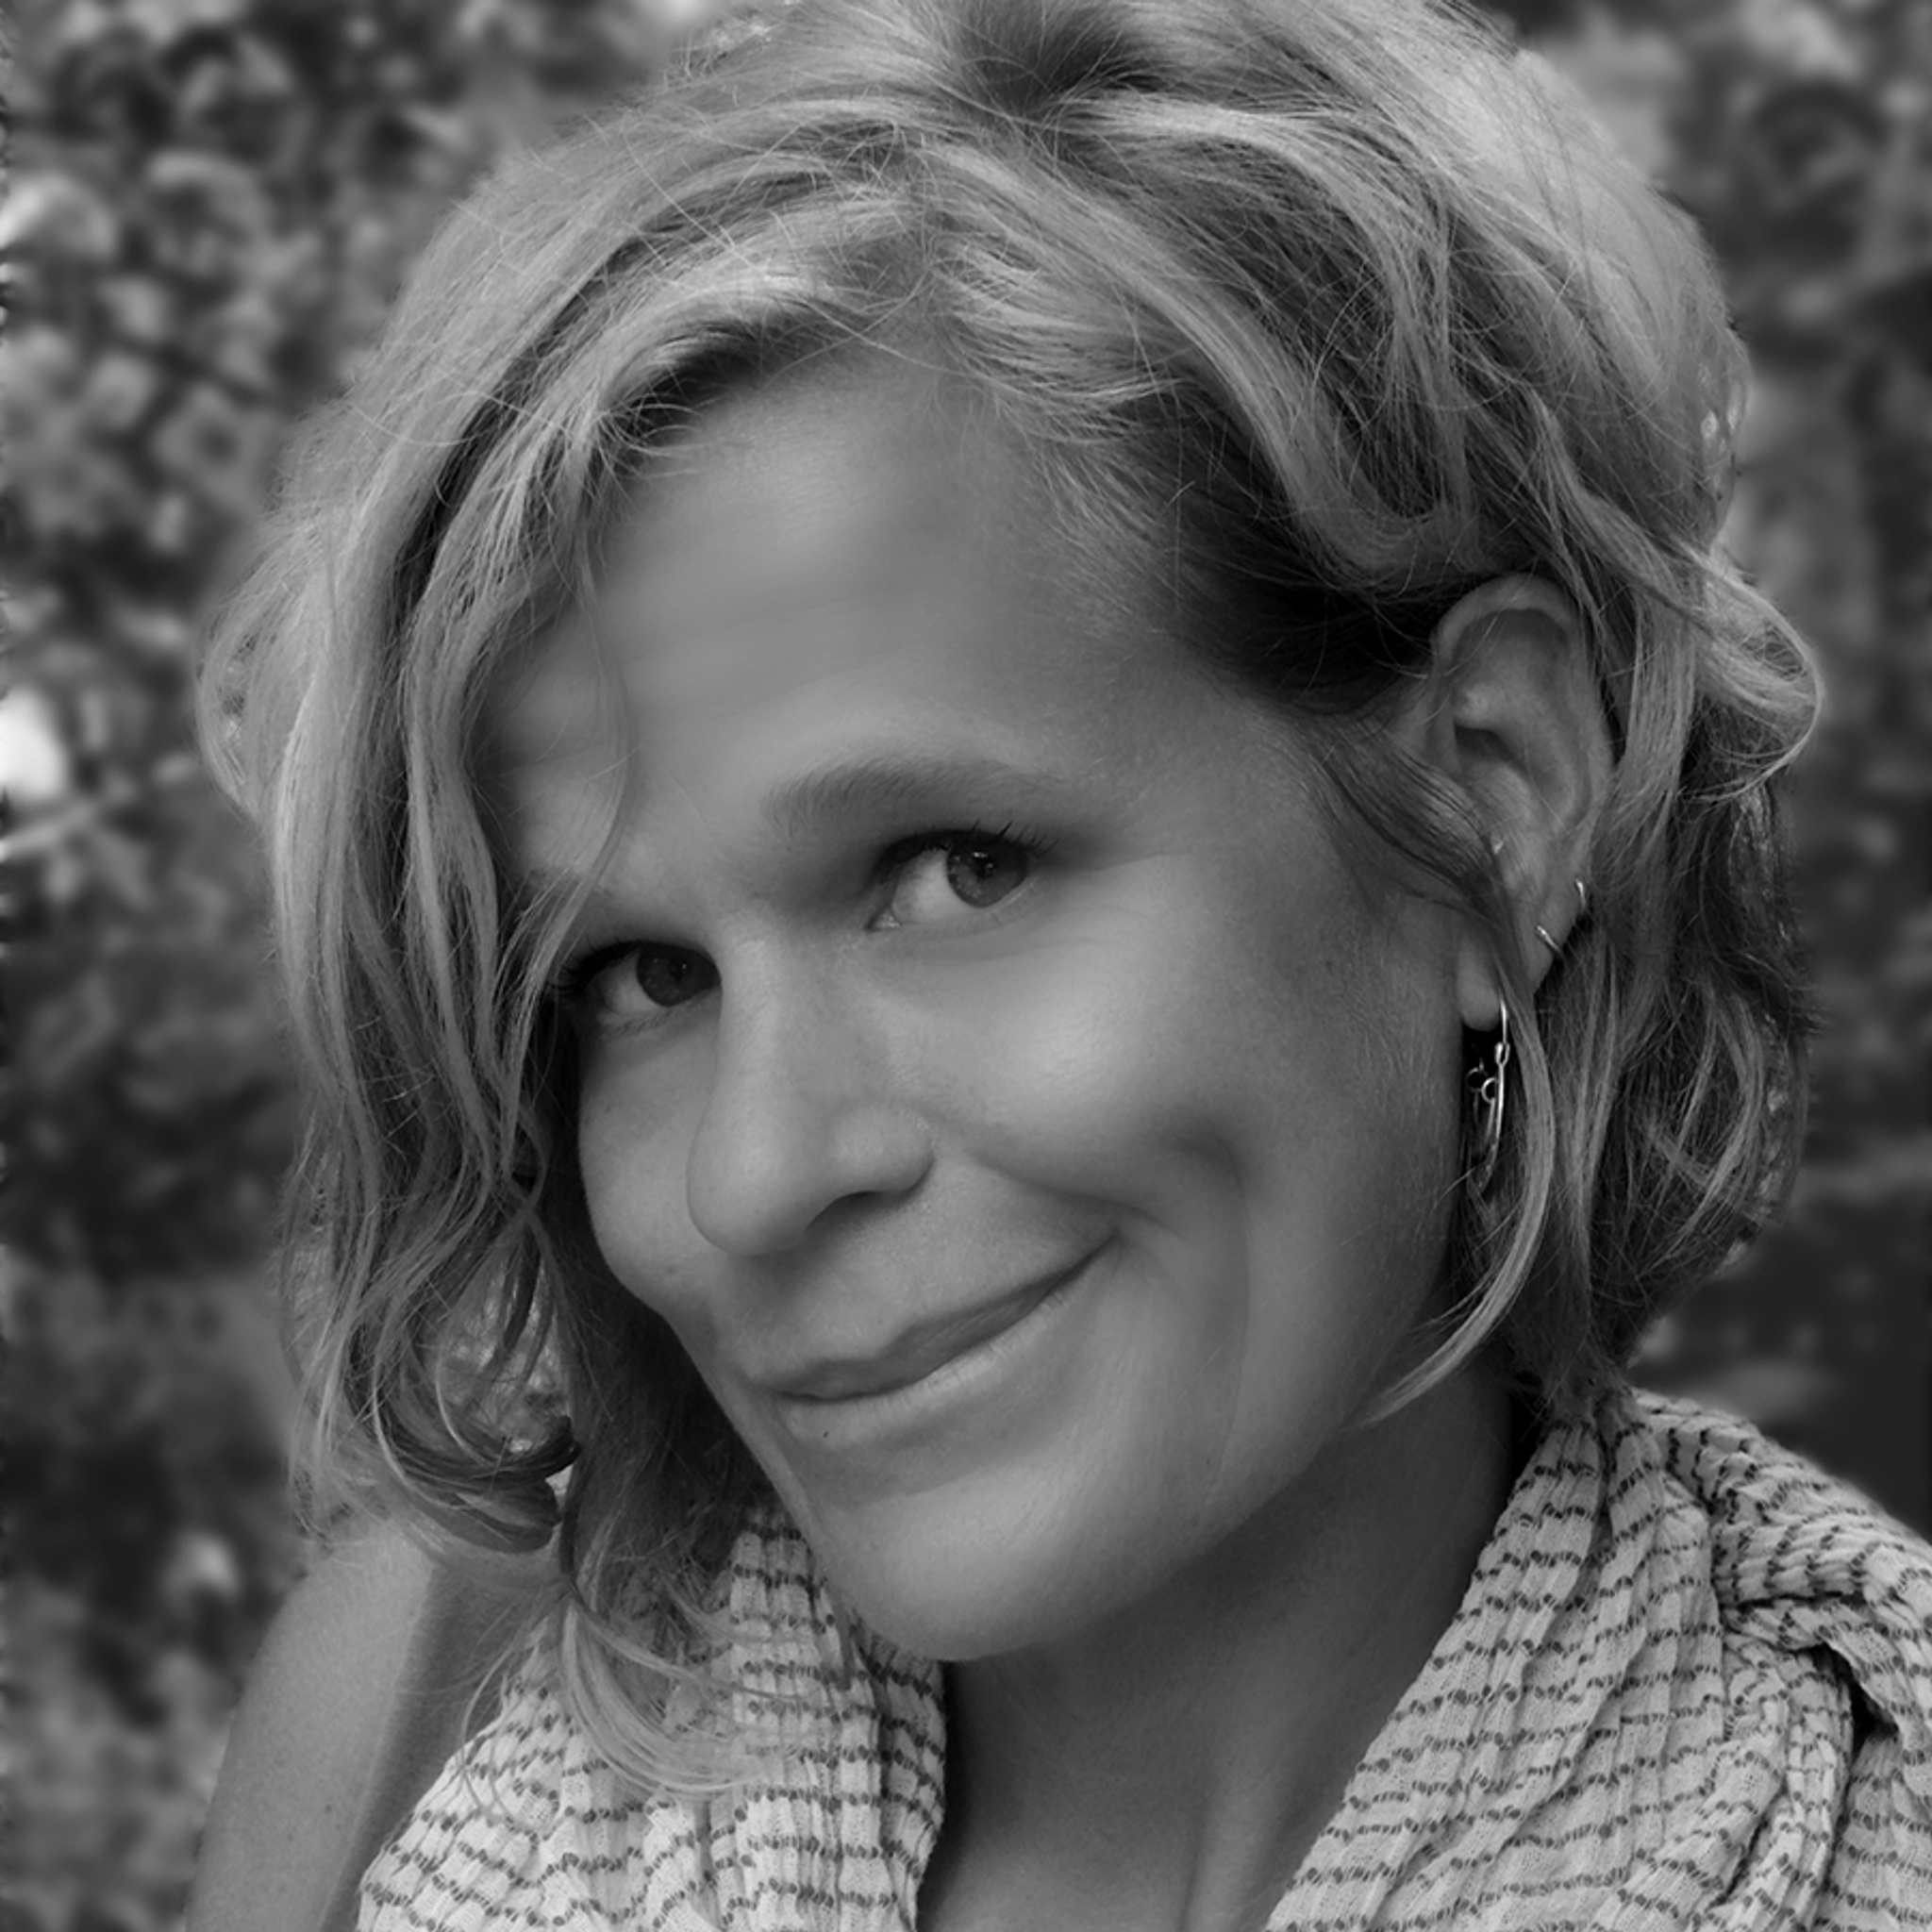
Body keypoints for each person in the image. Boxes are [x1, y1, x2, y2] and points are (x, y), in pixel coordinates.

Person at [187, 1, 1932, 1925]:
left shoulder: (1862, 1809)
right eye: (634, 976)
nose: (750, 1178)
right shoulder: (422, 1721)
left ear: (1492, 798)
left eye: (956, 866)